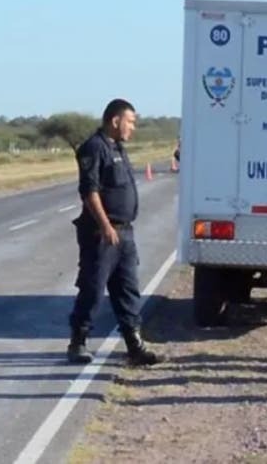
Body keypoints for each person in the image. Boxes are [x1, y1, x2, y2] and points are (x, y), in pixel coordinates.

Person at [66, 99, 164, 366]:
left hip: (125, 233)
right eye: (130, 121)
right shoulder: (94, 147)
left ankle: (134, 345)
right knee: (93, 289)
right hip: (102, 234)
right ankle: (78, 342)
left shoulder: (118, 147)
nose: (133, 127)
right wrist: (105, 225)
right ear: (115, 120)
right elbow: (90, 191)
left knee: (128, 291)